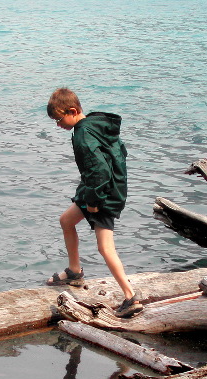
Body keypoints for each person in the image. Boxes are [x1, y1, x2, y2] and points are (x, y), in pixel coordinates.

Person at [45, 87, 142, 318]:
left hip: (103, 194)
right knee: (66, 221)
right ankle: (75, 271)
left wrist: (94, 202)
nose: (58, 125)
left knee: (104, 247)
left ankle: (130, 298)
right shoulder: (96, 124)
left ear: (73, 110)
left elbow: (99, 170)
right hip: (101, 189)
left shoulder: (83, 135)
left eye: (59, 119)